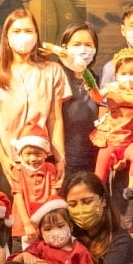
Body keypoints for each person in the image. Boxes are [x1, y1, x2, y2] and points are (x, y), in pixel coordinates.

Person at [0, 7, 72, 188]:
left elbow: (55, 118)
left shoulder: (52, 71)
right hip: (7, 160)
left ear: (36, 35)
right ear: (7, 36)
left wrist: (60, 158)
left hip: (43, 158)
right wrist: (3, 159)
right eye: (17, 31)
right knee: (10, 213)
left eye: (28, 31)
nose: (23, 36)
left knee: (44, 213)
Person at [15, 197, 98, 264]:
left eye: (60, 226)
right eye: (48, 229)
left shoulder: (80, 250)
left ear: (70, 226)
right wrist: (23, 256)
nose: (55, 232)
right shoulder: (38, 247)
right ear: (41, 232)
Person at [90, 46, 133, 199]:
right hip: (110, 140)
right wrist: (91, 88)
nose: (128, 78)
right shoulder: (112, 87)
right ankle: (96, 196)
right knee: (100, 174)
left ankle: (131, 188)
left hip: (129, 140)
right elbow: (98, 98)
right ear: (116, 75)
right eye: (123, 74)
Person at [53, 20, 102, 179]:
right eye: (77, 44)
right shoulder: (55, 77)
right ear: (64, 47)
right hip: (61, 163)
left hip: (94, 163)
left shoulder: (99, 82)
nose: (83, 49)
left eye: (88, 45)